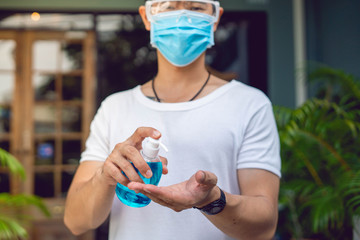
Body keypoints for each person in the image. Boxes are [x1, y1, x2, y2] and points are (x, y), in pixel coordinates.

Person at [64, 0, 281, 239]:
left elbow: (264, 227)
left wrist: (211, 200)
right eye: (168, 7)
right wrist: (105, 176)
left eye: (196, 8)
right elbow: (76, 221)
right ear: (146, 17)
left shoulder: (249, 105)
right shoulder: (114, 108)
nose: (182, 18)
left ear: (215, 18)